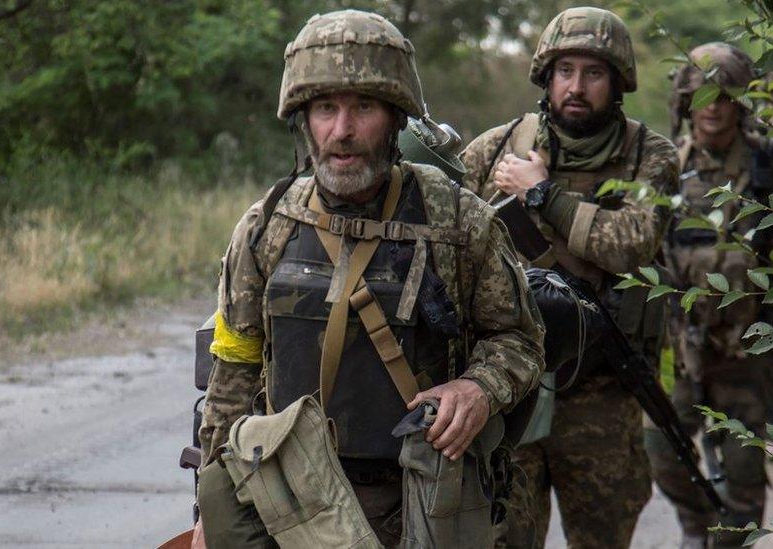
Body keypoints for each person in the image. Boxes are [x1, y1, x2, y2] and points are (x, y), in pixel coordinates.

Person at [192, 9, 545, 548]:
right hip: (288, 504)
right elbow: (234, 370)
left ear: (396, 117)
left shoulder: (457, 220)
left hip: (418, 500)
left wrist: (478, 387)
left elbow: (519, 339)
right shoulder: (266, 225)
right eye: (326, 108)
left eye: (363, 107)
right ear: (303, 119)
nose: (343, 131)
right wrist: (207, 512)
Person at [460, 7, 679, 548]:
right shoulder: (497, 148)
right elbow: (448, 238)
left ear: (618, 81)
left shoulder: (650, 157)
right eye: (565, 71)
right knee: (504, 537)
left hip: (603, 393)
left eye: (594, 73)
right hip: (513, 387)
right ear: (546, 75)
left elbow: (631, 245)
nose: (576, 86)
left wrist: (542, 194)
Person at [646, 42, 773, 548]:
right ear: (684, 102)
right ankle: (698, 527)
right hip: (679, 347)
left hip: (750, 349)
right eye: (701, 95)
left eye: (723, 95)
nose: (712, 107)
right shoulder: (667, 166)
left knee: (743, 475)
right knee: (660, 448)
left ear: (741, 100)